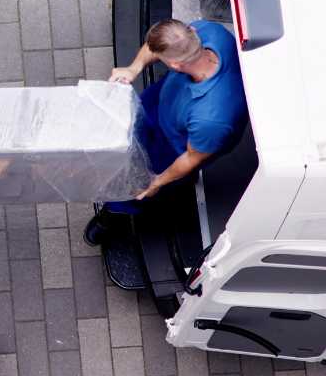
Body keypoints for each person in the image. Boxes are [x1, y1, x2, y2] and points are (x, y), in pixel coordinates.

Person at [84, 18, 248, 245]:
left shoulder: (212, 119)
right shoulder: (208, 32)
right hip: (163, 103)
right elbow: (155, 46)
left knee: (135, 183)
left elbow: (191, 158)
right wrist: (134, 68)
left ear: (175, 66)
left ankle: (115, 214)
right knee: (127, 135)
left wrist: (157, 182)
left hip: (172, 146)